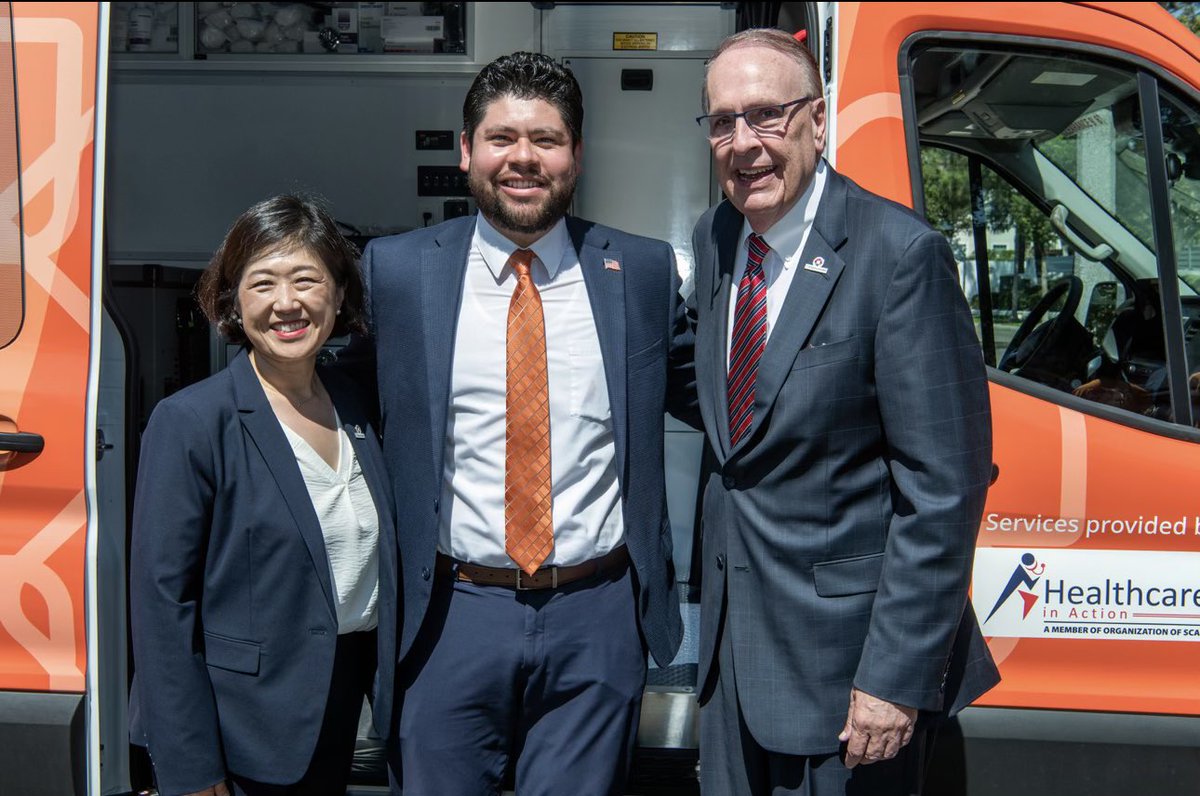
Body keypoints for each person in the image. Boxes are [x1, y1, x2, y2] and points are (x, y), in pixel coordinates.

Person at [347, 51, 687, 795]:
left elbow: (721, 400)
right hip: (449, 617)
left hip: (595, 616)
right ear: (466, 150)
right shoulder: (399, 274)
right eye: (502, 137)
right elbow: (330, 398)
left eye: (546, 138)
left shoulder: (642, 272)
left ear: (577, 155)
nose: (523, 158)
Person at [680, 29, 1001, 795]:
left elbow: (944, 490)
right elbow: (743, 421)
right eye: (722, 122)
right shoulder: (720, 234)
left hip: (848, 684)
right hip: (732, 667)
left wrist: (892, 680)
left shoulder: (900, 255)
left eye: (766, 114)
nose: (742, 142)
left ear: (818, 121)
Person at [128, 195, 398, 796]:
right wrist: (193, 771)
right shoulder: (191, 422)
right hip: (240, 731)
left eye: (307, 280)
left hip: (336, 710)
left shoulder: (360, 406)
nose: (287, 303)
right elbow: (160, 610)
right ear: (232, 301)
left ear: (338, 294)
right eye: (262, 284)